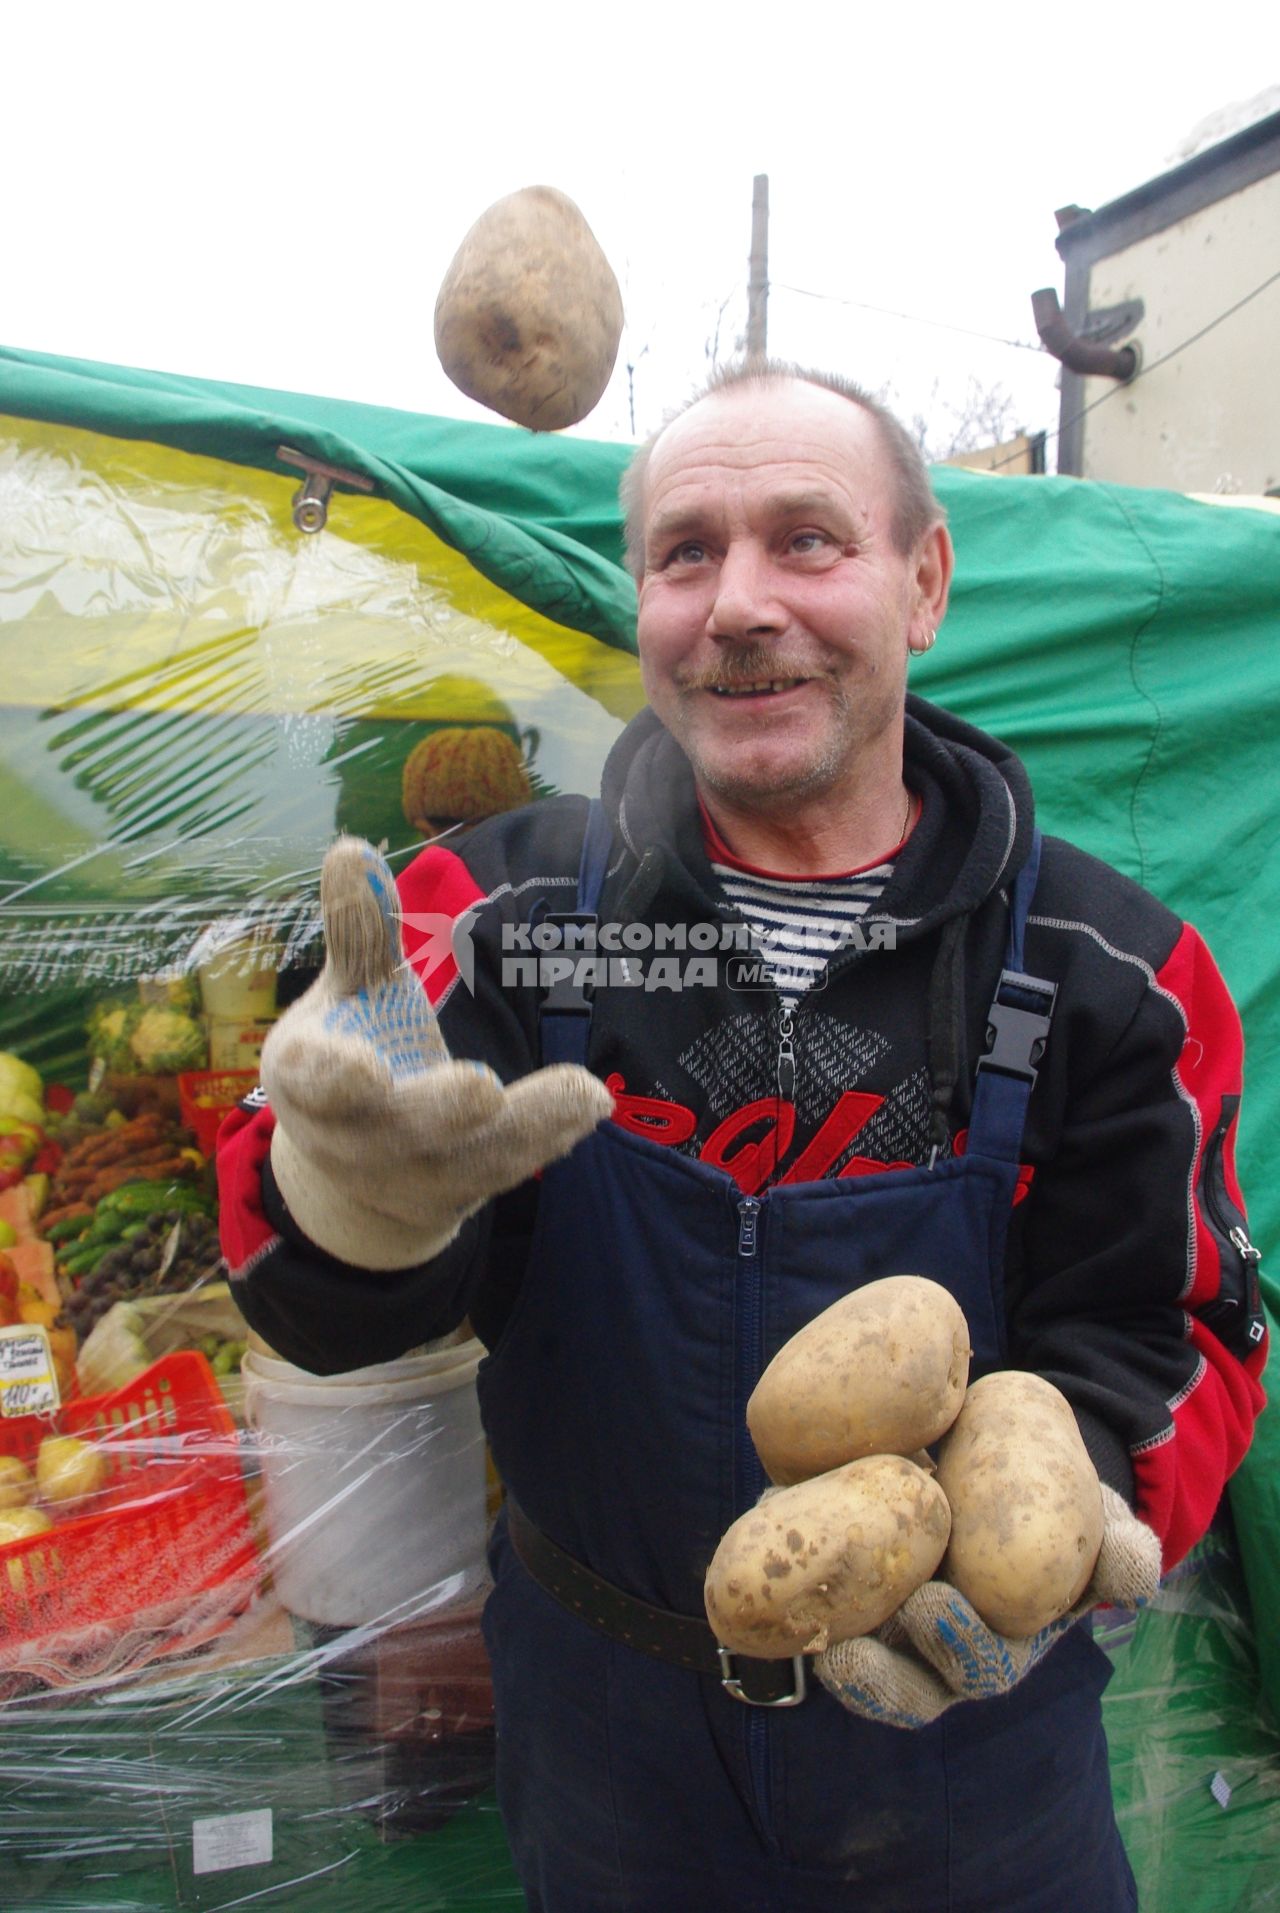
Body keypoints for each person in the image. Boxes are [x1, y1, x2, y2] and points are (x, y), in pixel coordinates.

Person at [219, 363, 1267, 1912]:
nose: (740, 603)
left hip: (972, 1745)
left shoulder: (1114, 972)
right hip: (608, 1744)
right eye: (687, 554)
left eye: (807, 541)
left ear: (923, 581)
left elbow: (1175, 1325)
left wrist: (1058, 1506)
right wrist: (351, 1206)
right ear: (641, 603)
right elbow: (306, 1303)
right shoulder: (482, 923)